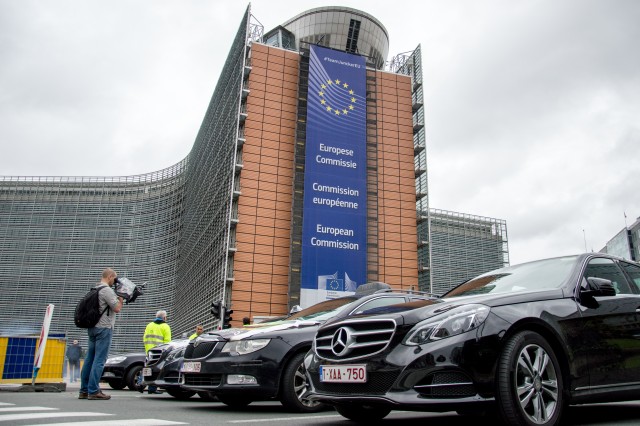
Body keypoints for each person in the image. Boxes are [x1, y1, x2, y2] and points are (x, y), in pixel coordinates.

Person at [79, 268, 123, 401]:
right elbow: (117, 308)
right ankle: (93, 390)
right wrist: (121, 297)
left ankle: (84, 390)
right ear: (109, 277)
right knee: (99, 360)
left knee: (89, 359)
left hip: (92, 328)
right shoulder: (107, 290)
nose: (114, 281)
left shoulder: (95, 289)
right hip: (104, 328)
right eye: (114, 279)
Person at [143, 310, 171, 394]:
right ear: (164, 317)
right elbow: (167, 341)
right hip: (160, 352)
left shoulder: (149, 325)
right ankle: (151, 388)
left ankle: (142, 384)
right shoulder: (165, 326)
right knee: (157, 369)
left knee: (147, 367)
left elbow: (144, 338)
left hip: (149, 350)